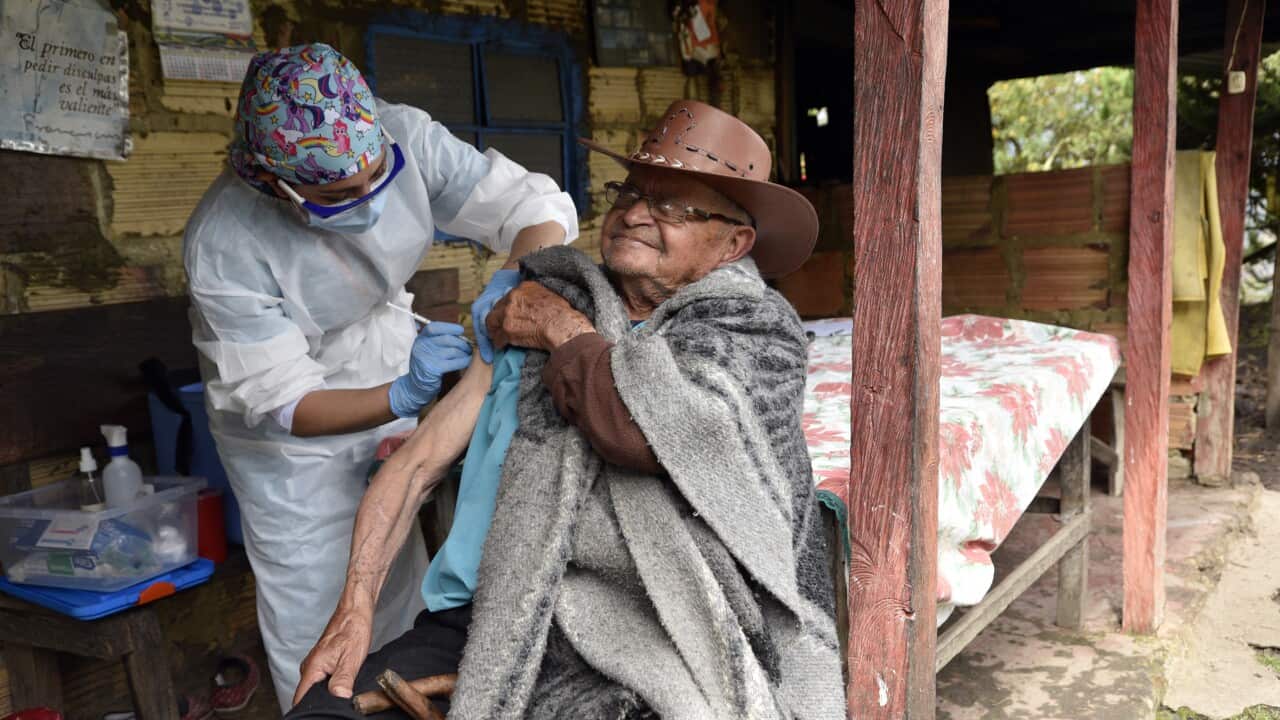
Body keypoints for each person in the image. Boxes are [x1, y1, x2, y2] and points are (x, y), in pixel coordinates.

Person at [289, 99, 844, 718]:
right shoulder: (538, 303)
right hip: (492, 611)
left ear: (732, 243)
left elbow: (645, 430)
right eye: (629, 193)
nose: (634, 214)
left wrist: (562, 330)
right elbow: (416, 466)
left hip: (662, 625)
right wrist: (355, 606)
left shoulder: (753, 335)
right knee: (321, 710)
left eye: (672, 207)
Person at [183, 43, 577, 710]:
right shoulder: (224, 245)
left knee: (394, 569)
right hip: (292, 441)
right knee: (322, 604)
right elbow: (287, 401)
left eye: (376, 176)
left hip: (385, 347)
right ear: (278, 186)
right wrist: (401, 396)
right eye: (339, 195)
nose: (368, 198)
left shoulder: (405, 136)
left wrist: (514, 277)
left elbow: (528, 207)